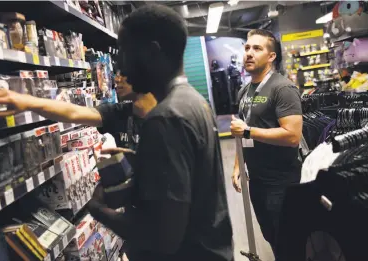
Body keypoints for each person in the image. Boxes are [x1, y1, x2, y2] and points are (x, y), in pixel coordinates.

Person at [87, 4, 233, 261]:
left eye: (124, 51)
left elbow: (162, 238)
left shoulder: (165, 118)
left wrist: (98, 211)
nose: (119, 64)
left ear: (152, 52)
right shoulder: (194, 102)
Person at [230, 29, 303, 256]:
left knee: (288, 241)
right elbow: (241, 130)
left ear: (271, 56)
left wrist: (249, 131)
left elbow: (292, 136)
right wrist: (237, 165)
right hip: (258, 179)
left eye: (257, 48)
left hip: (282, 181)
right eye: (247, 48)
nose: (249, 53)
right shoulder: (244, 90)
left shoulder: (283, 88)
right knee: (270, 235)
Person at [0, 71, 156, 152]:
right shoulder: (120, 113)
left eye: (124, 73)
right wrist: (27, 101)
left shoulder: (170, 117)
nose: (116, 79)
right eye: (116, 74)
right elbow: (72, 112)